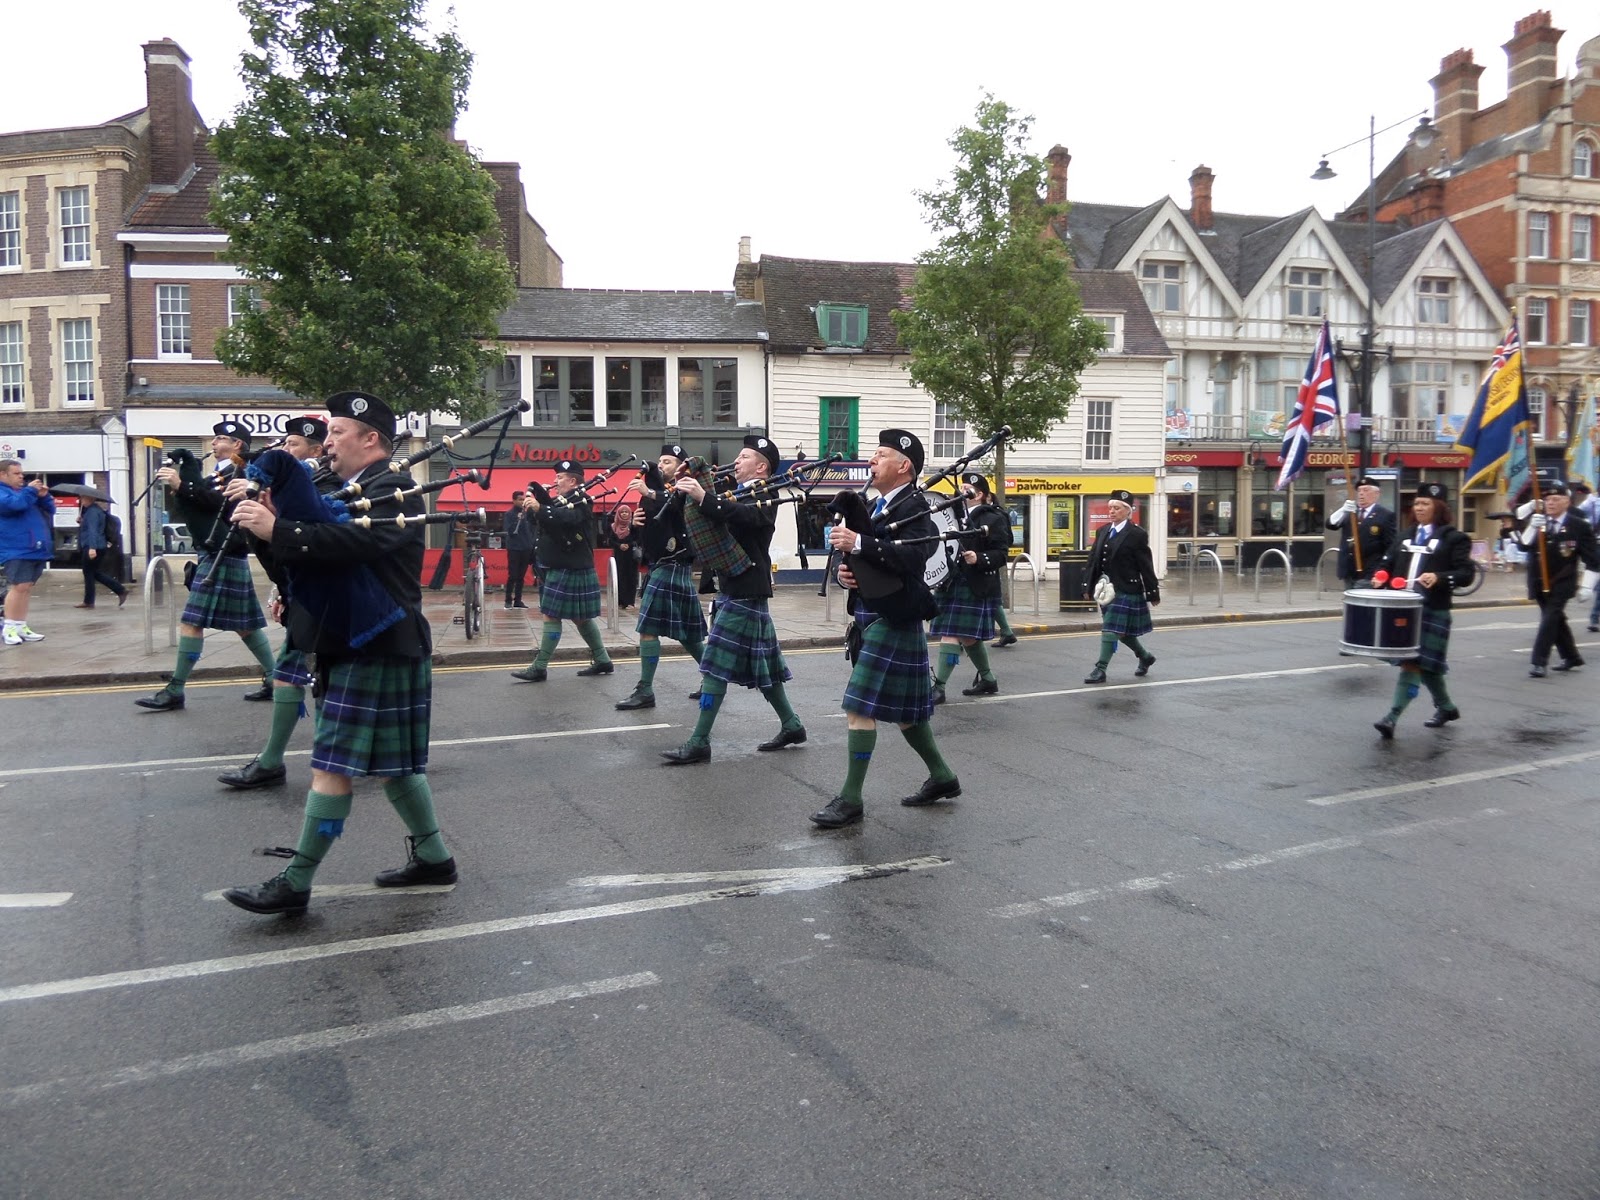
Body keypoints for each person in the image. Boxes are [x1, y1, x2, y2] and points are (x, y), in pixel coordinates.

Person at [221, 391, 456, 916]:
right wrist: (266, 528)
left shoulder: (395, 489)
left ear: (371, 439)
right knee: (396, 768)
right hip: (349, 641)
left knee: (331, 765)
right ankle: (434, 858)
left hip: (378, 643)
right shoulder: (344, 488)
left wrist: (280, 528)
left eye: (337, 431)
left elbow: (354, 546)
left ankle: (296, 881)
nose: (327, 442)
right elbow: (305, 559)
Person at [811, 429, 958, 828]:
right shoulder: (879, 507)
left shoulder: (916, 506)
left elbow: (914, 558)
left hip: (893, 619)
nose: (872, 460)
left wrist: (859, 544)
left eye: (881, 454)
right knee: (909, 715)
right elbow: (872, 565)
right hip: (874, 616)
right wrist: (847, 574)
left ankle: (850, 799)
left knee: (859, 707)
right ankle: (943, 776)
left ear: (904, 466)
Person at [660, 434, 806, 764]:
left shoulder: (766, 494)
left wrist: (704, 497)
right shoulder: (737, 492)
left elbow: (743, 516)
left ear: (761, 467)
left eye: (744, 457)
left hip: (745, 588)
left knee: (714, 667)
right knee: (765, 668)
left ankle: (699, 741)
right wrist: (691, 490)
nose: (736, 461)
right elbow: (710, 516)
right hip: (737, 588)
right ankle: (792, 725)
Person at [218, 416, 336, 789]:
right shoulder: (282, 488)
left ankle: (334, 761)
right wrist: (282, 590)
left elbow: (314, 544)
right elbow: (277, 553)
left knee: (328, 682)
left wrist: (272, 518)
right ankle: (274, 762)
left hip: (329, 600)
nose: (285, 450)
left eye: (292, 445)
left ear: (315, 450)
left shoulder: (328, 485)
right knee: (289, 677)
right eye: (284, 444)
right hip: (302, 595)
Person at [135, 422, 278, 710]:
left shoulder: (241, 473)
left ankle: (176, 689)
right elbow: (196, 503)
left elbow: (218, 503)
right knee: (246, 627)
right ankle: (276, 678)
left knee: (192, 622)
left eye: (221, 438)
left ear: (237, 445)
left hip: (223, 553)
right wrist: (183, 482)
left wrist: (182, 485)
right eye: (214, 438)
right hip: (216, 553)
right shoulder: (217, 474)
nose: (214, 442)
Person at [1373, 482, 1476, 736]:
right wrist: (1380, 576)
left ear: (1438, 507)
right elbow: (1388, 563)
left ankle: (1391, 717)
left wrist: (1440, 577)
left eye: (1425, 503)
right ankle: (1446, 707)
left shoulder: (1454, 538)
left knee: (1413, 664)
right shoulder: (1404, 536)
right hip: (1404, 610)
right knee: (1426, 666)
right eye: (1417, 503)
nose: (1419, 508)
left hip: (1432, 609)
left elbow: (1466, 574)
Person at [615, 443, 707, 711]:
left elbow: (677, 504)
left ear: (680, 466)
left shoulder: (687, 486)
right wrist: (636, 525)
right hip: (660, 566)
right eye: (661, 461)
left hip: (673, 564)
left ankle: (645, 690)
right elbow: (650, 532)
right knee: (688, 635)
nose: (662, 465)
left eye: (668, 461)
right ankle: (713, 677)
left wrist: (649, 493)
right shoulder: (655, 492)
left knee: (649, 629)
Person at [510, 458, 613, 682]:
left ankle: (540, 667)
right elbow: (541, 520)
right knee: (581, 618)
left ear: (573, 481)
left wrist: (541, 507)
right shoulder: (560, 501)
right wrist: (535, 501)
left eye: (560, 477)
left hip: (570, 566)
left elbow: (566, 519)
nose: (556, 481)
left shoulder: (582, 501)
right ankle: (603, 659)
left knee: (551, 615)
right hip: (560, 565)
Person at [929, 472, 1007, 703]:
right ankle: (988, 679)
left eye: (967, 489)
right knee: (968, 638)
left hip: (974, 583)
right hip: (949, 581)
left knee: (951, 634)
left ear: (979, 494)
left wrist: (979, 558)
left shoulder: (994, 518)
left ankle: (939, 687)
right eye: (960, 488)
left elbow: (1001, 553)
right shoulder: (951, 515)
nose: (961, 492)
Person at [1517, 481, 1600, 677]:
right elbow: (1523, 546)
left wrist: (1587, 586)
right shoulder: (1539, 521)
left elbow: (1593, 560)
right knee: (1556, 619)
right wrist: (1531, 527)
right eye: (1547, 499)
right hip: (1539, 580)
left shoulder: (1579, 526)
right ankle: (1571, 657)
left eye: (1556, 499)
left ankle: (1539, 662)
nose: (1550, 503)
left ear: (1567, 502)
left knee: (1550, 618)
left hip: (1562, 580)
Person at [1082, 490, 1160, 684]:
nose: (1112, 511)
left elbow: (1145, 564)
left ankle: (1100, 669)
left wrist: (1152, 592)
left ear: (1127, 510)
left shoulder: (1137, 534)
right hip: (1105, 591)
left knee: (1110, 629)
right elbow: (1093, 561)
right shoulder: (1103, 531)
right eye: (1110, 508)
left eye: (1116, 508)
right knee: (1122, 633)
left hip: (1127, 589)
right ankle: (1145, 656)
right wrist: (1087, 586)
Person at [0, 459, 54, 645]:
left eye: (21, 473)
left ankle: (20, 625)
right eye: (16, 473)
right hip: (16, 548)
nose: (21, 477)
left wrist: (44, 496)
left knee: (27, 587)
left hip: (35, 547)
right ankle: (9, 627)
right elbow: (15, 505)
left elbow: (51, 509)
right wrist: (30, 491)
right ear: (2, 475)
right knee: (19, 586)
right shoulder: (5, 493)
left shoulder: (24, 493)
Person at [1325, 476, 1396, 585]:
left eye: (1366, 490)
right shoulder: (1351, 511)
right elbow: (1331, 524)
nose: (1361, 494)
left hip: (1369, 571)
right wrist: (1342, 510)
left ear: (1376, 494)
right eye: (1359, 491)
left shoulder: (1385, 515)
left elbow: (1390, 545)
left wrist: (1382, 570)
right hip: (1349, 570)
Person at [73, 496, 128, 609]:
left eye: (83, 498)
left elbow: (93, 531)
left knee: (90, 572)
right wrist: (82, 521)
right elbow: (94, 528)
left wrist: (92, 548)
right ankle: (90, 600)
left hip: (93, 546)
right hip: (98, 545)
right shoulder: (95, 510)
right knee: (91, 573)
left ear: (90, 499)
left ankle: (119, 590)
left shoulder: (92, 512)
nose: (81, 500)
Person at [1574, 482, 1600, 631]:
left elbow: (1576, 513)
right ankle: (1594, 618)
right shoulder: (1592, 502)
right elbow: (1577, 514)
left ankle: (1594, 618)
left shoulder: (1590, 501)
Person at [502, 491, 534, 609]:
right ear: (514, 500)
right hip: (514, 548)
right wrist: (517, 520)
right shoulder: (509, 514)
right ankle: (508, 600)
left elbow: (531, 529)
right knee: (513, 575)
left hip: (526, 547)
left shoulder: (527, 513)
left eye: (523, 499)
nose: (522, 501)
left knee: (521, 576)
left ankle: (518, 600)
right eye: (520, 499)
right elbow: (509, 531)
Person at [610, 498, 639, 610]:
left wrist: (629, 545)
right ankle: (621, 601)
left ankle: (630, 602)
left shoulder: (633, 526)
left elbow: (638, 539)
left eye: (626, 512)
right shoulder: (613, 527)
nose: (624, 514)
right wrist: (619, 545)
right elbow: (610, 541)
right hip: (619, 556)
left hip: (631, 557)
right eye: (622, 512)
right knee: (619, 577)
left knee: (631, 578)